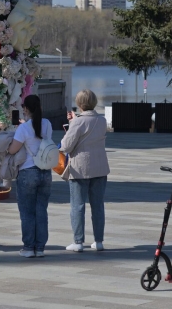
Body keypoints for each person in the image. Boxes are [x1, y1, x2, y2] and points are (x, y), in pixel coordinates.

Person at [60, 89, 109, 253]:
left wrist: (73, 123)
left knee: (77, 206)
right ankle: (99, 241)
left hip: (80, 168)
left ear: (79, 104)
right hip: (100, 167)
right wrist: (76, 120)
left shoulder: (78, 122)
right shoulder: (102, 120)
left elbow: (66, 146)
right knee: (98, 206)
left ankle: (78, 241)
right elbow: (89, 130)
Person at [7, 95, 53, 258]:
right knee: (41, 210)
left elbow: (13, 149)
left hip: (28, 171)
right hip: (45, 171)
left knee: (27, 211)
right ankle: (40, 247)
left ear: (25, 109)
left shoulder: (24, 129)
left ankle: (28, 247)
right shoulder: (47, 124)